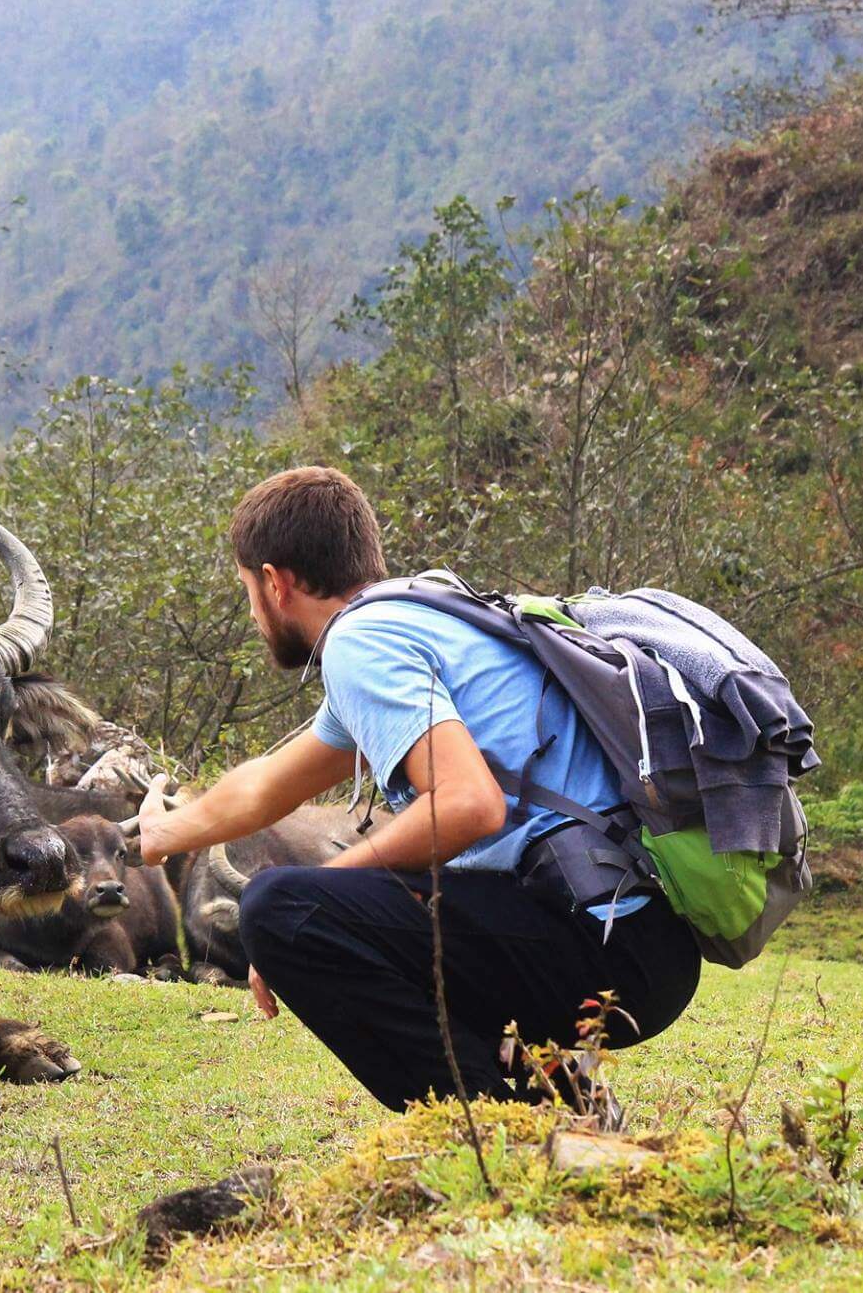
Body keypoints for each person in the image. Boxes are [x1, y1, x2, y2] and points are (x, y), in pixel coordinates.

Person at [134, 467, 702, 1110]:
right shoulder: (414, 619)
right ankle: (558, 1100)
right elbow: (269, 784)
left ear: (274, 582)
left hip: (602, 943)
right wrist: (165, 832)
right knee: (331, 904)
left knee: (279, 908)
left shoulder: (361, 644)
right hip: (637, 942)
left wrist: (320, 897)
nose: (255, 613)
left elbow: (468, 803)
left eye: (247, 591)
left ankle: (492, 1127)